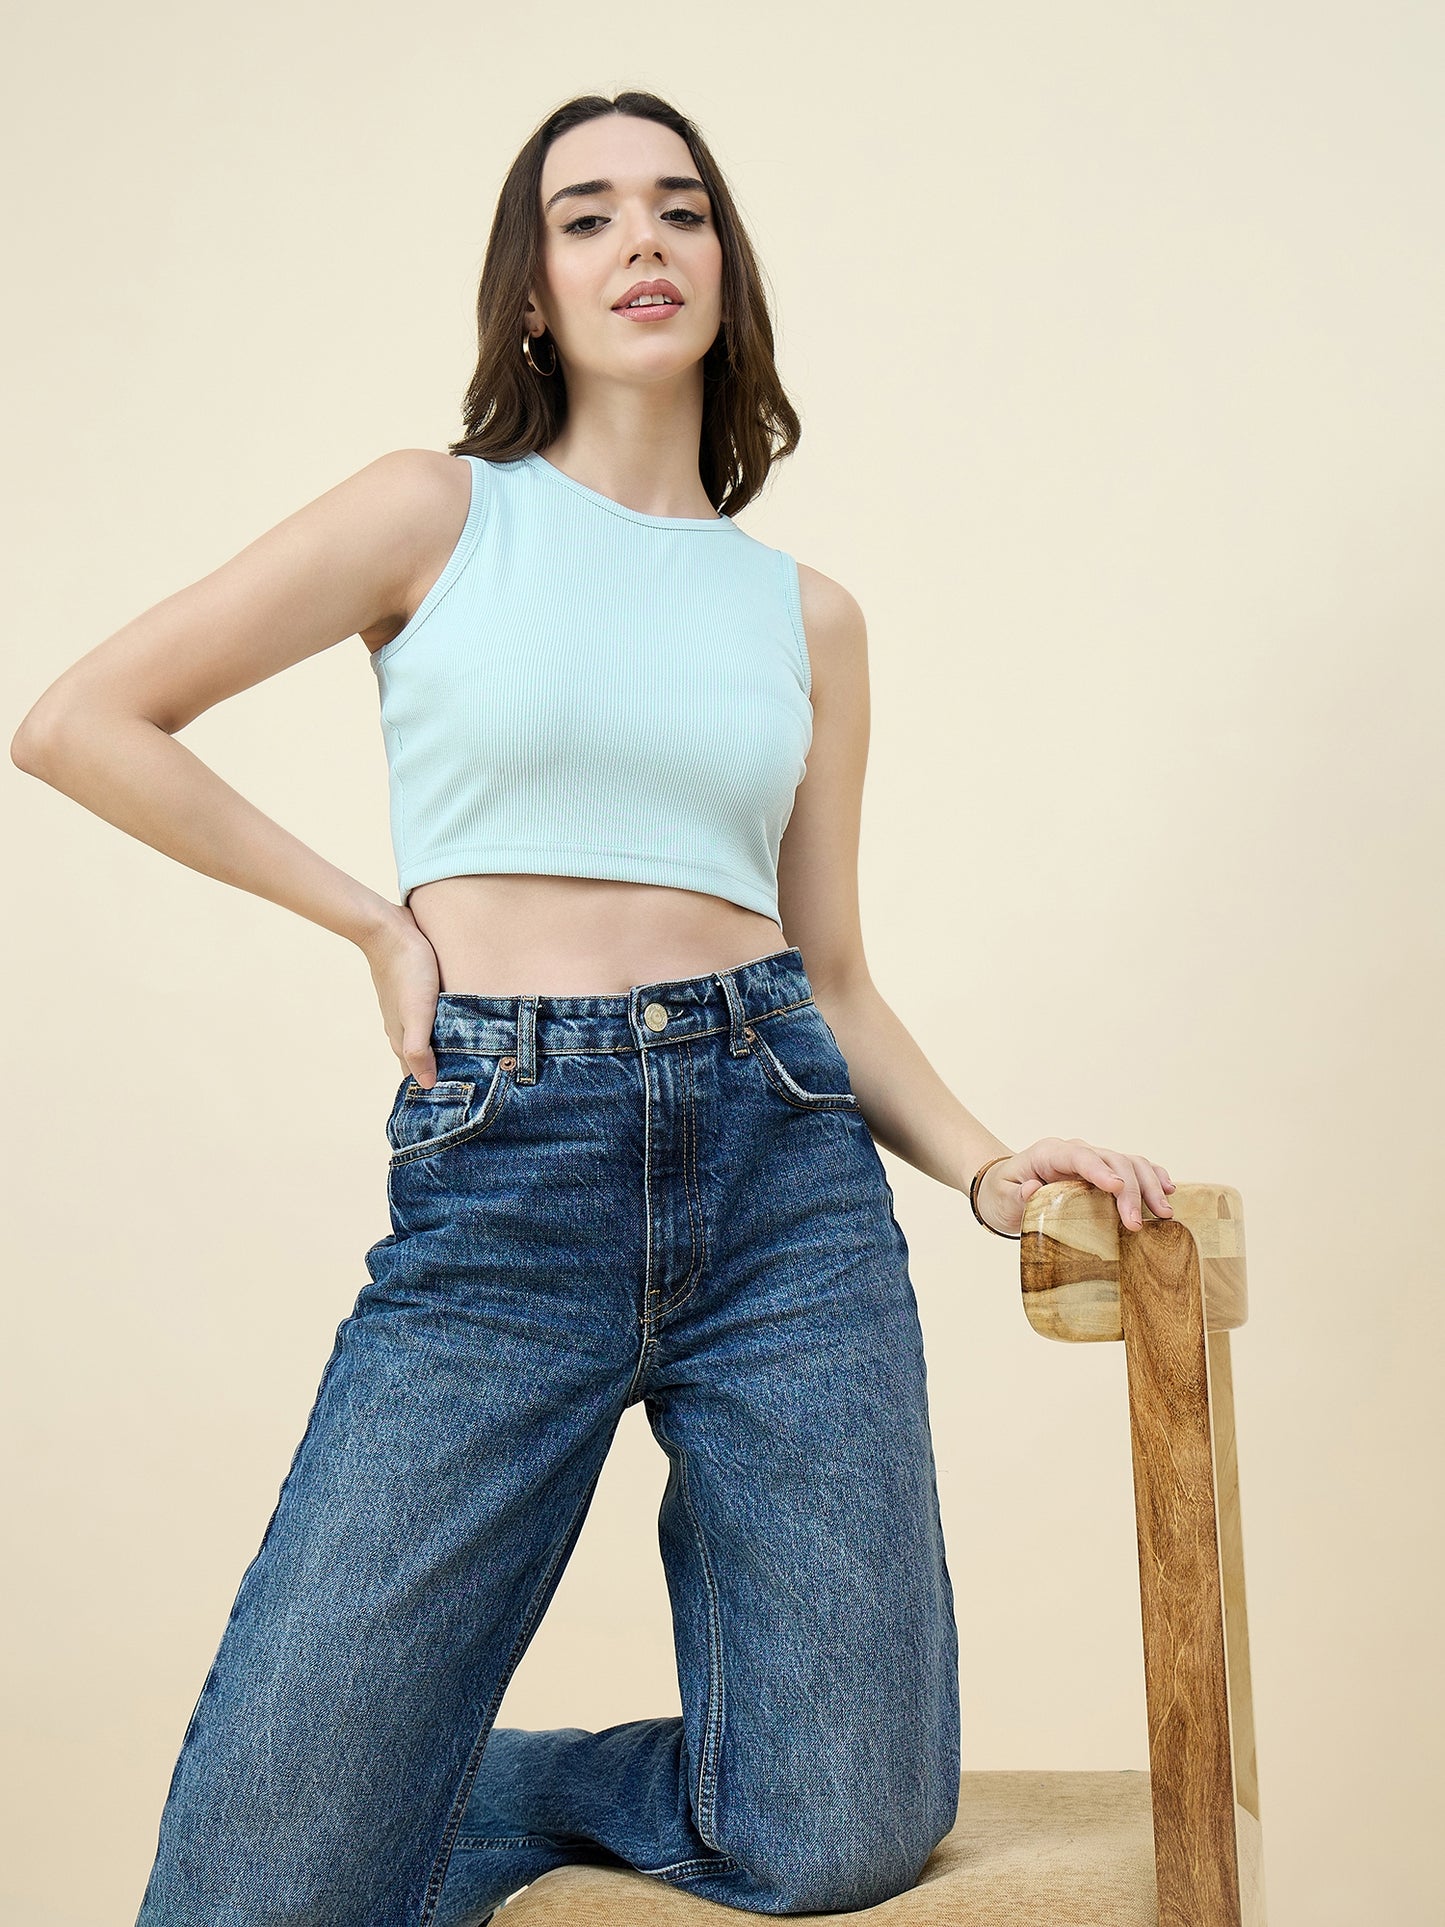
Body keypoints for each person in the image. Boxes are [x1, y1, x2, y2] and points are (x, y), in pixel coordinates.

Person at [11, 89, 1176, 1927]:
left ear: (727, 271)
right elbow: (77, 722)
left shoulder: (809, 617)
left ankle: (433, 1781)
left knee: (844, 1830)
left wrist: (987, 1170)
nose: (644, 240)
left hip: (786, 1181)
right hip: (511, 1164)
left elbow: (838, 977)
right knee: (262, 1882)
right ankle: (352, 1782)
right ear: (533, 294)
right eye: (588, 216)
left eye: (681, 209)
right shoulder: (434, 510)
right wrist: (370, 925)